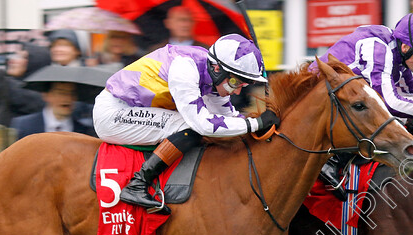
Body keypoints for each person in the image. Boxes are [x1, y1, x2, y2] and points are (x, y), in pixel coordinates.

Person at [93, 34, 279, 214]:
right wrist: (254, 124)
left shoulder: (212, 77)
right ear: (217, 69)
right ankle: (138, 184)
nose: (237, 92)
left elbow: (231, 119)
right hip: (113, 113)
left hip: (135, 110)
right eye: (234, 83)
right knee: (188, 126)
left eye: (243, 86)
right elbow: (203, 125)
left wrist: (261, 129)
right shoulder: (185, 68)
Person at [316, 11, 413, 189]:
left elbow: (412, 87)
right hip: (319, 100)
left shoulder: (397, 51)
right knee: (386, 119)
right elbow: (390, 103)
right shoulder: (378, 49)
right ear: (406, 47)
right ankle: (331, 162)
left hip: (340, 101)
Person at [11, 81, 96, 140]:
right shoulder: (23, 126)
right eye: (61, 93)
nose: (68, 98)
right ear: (46, 95)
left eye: (72, 93)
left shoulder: (85, 132)